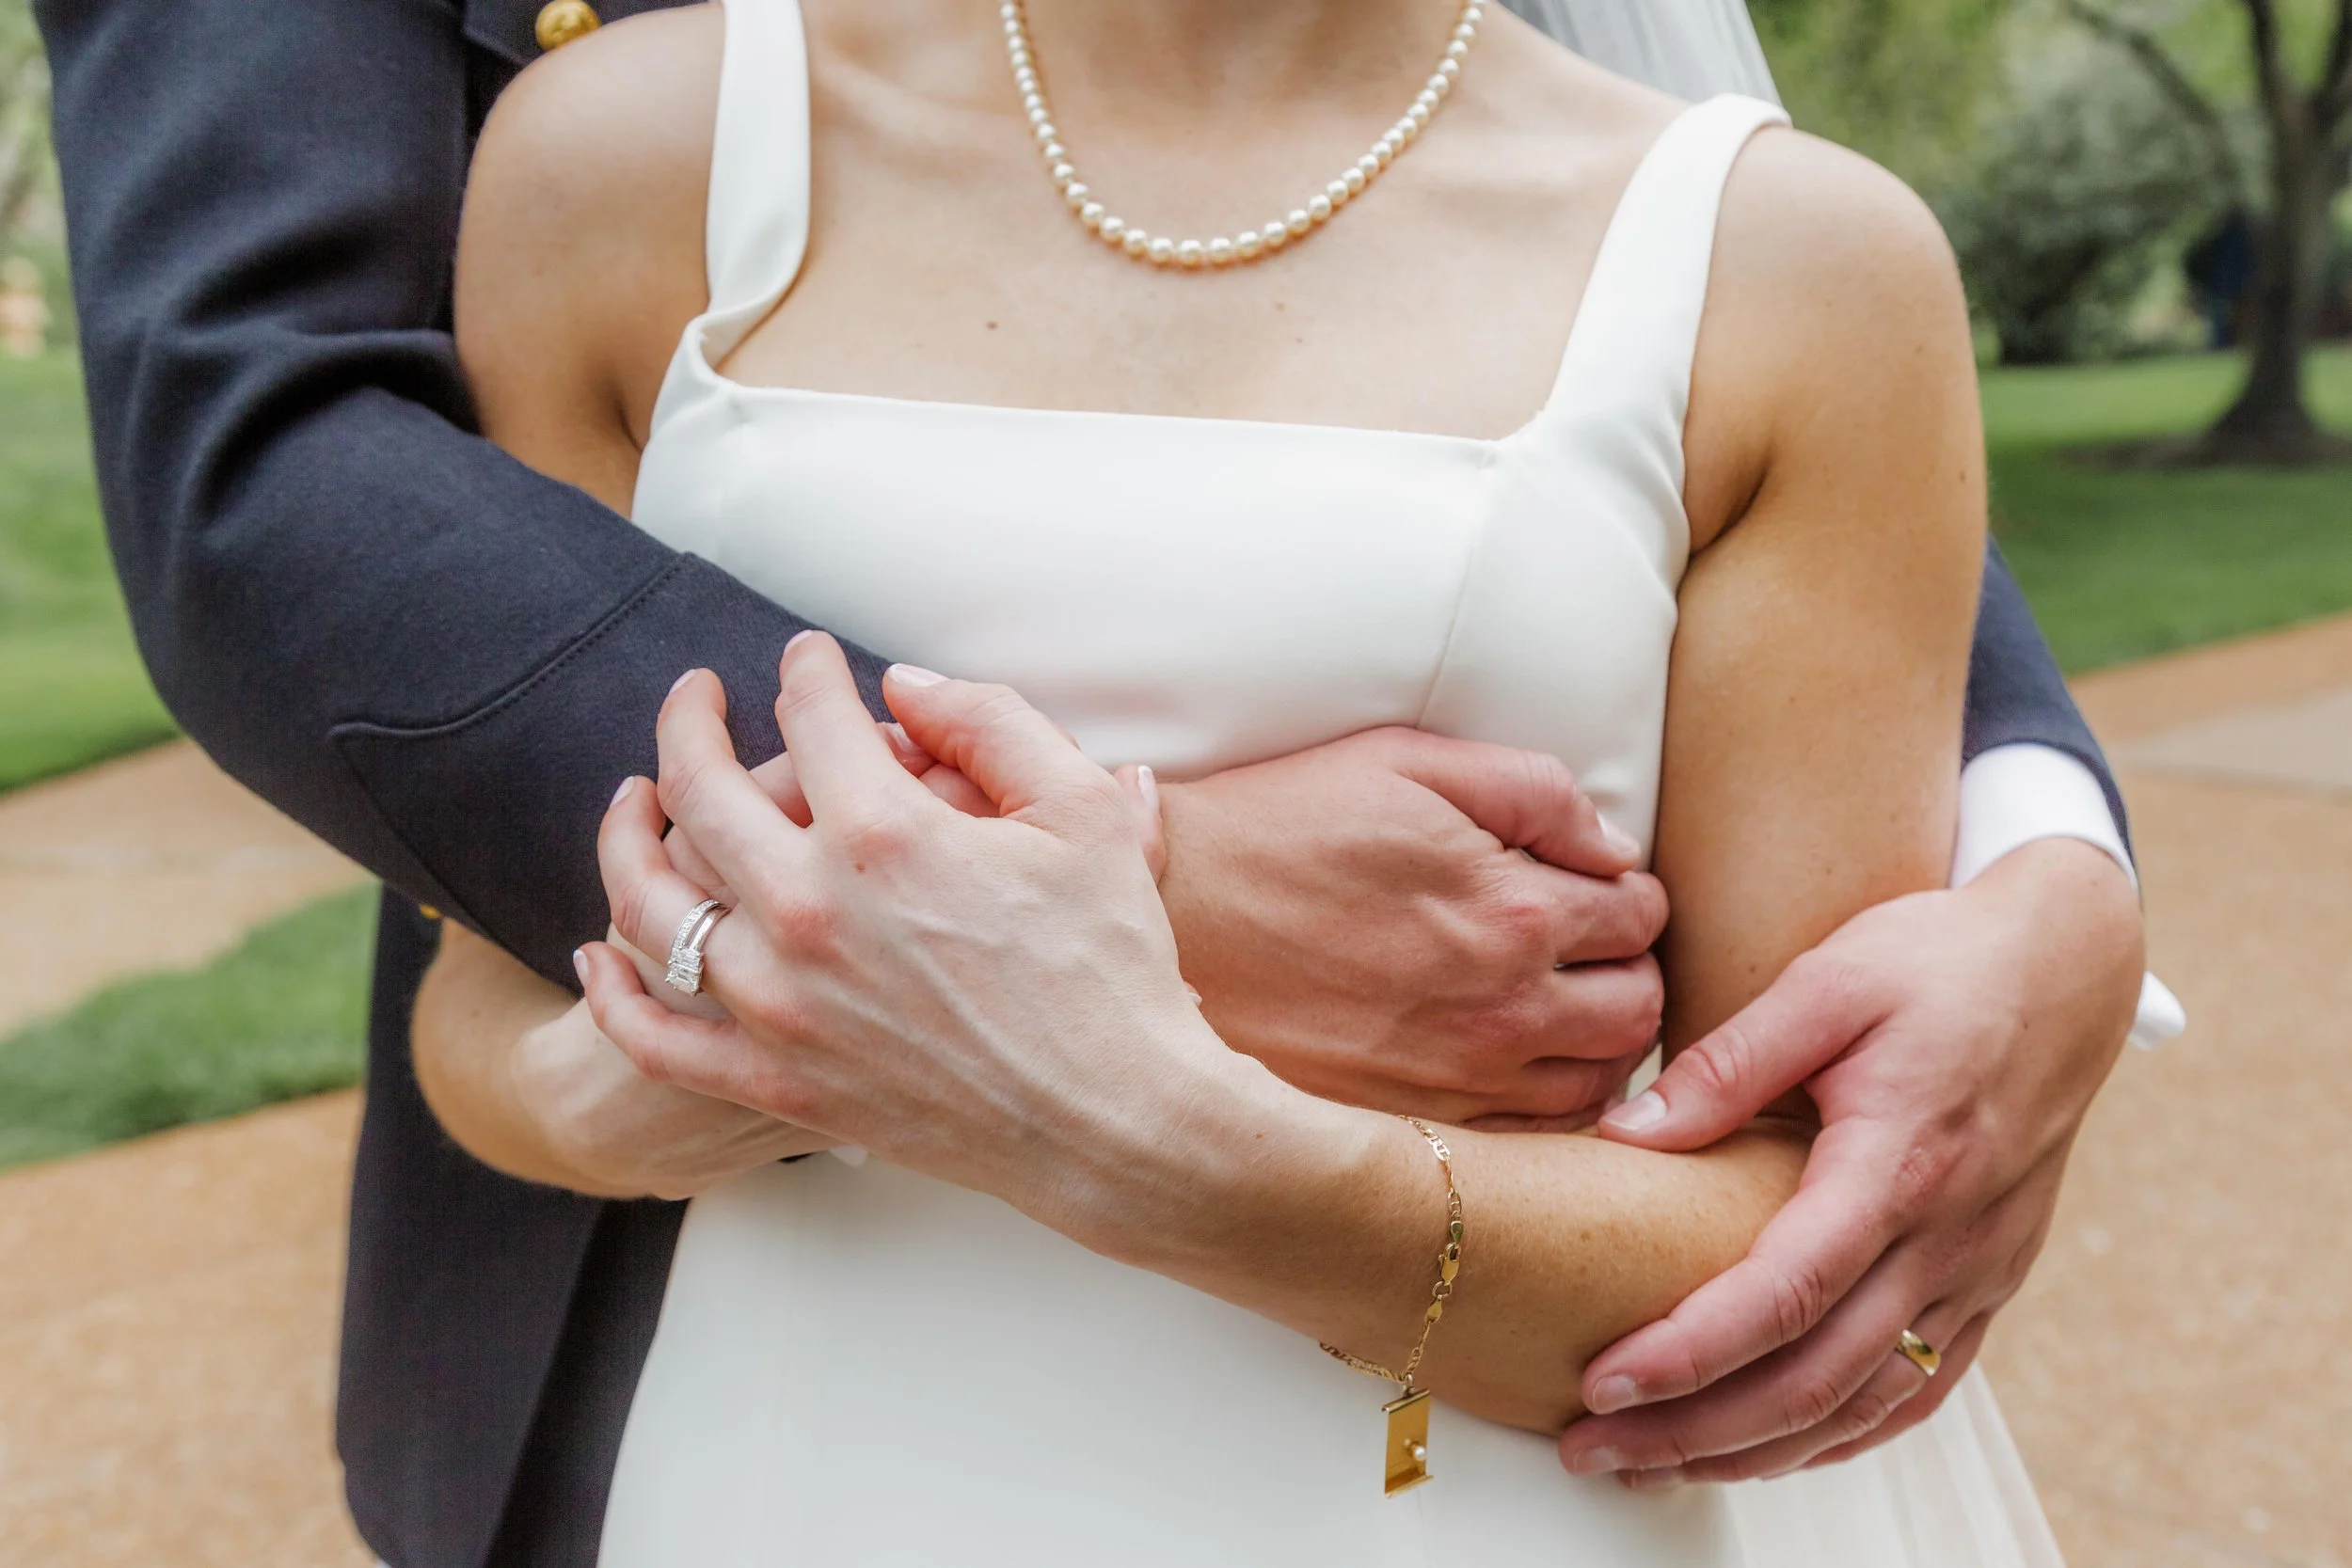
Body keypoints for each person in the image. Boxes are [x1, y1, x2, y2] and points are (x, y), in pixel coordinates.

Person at [25, 0, 2166, 1560]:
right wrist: (912, 970)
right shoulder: (621, 165)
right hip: (780, 1454)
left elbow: (1771, 1217)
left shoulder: (1783, 259)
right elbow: (279, 489)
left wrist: (2050, 844)